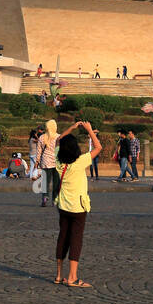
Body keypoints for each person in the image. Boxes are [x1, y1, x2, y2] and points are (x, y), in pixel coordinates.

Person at [53, 121, 102, 288]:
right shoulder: (80, 161)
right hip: (78, 208)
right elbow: (98, 147)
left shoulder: (59, 161)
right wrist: (89, 129)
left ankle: (59, 275)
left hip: (63, 206)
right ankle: (72, 277)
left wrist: (72, 128)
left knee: (62, 238)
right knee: (75, 240)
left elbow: (59, 140)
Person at [36, 119, 59, 207]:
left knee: (45, 181)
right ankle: (55, 200)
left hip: (46, 161)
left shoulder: (42, 137)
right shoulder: (59, 137)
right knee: (56, 182)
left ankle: (45, 197)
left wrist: (37, 161)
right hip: (57, 162)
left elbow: (39, 151)